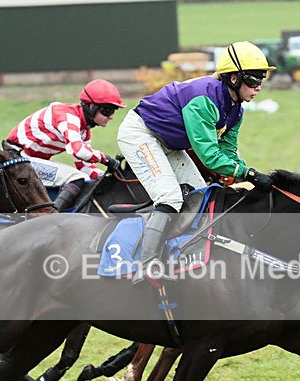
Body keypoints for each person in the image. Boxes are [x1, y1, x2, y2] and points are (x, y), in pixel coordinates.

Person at [117, 41, 275, 284]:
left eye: (261, 80)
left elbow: (228, 151)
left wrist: (247, 173)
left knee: (203, 196)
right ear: (234, 78)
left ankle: (184, 254)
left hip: (169, 144)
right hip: (141, 134)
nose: (258, 88)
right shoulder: (205, 98)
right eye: (253, 80)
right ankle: (146, 265)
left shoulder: (236, 110)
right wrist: (250, 174)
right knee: (170, 197)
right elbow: (209, 155)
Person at [5, 79, 125, 212]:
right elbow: (80, 151)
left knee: (83, 178)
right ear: (91, 107)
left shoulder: (84, 130)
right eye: (107, 111)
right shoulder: (68, 117)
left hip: (26, 159)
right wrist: (106, 159)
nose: (111, 117)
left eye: (113, 111)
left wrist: (106, 177)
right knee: (75, 178)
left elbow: (84, 166)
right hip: (16, 158)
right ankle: (52, 217)